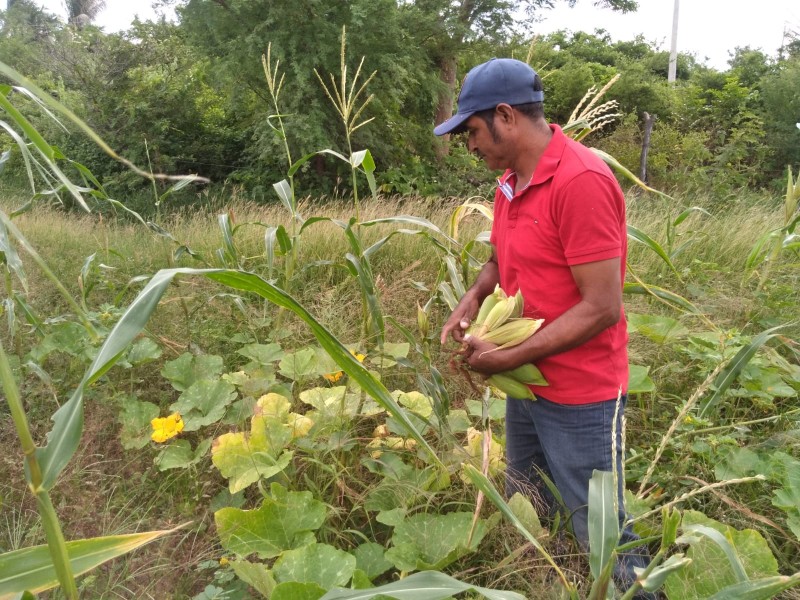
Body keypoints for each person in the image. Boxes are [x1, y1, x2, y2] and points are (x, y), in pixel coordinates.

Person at [435, 58, 655, 598]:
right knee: (531, 501)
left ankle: (638, 592)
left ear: (505, 115)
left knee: (600, 526)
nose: (470, 145)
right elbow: (499, 262)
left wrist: (506, 357)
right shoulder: (510, 184)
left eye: (472, 131)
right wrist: (473, 296)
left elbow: (602, 306)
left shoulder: (580, 181)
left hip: (583, 395)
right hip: (530, 385)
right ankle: (555, 585)